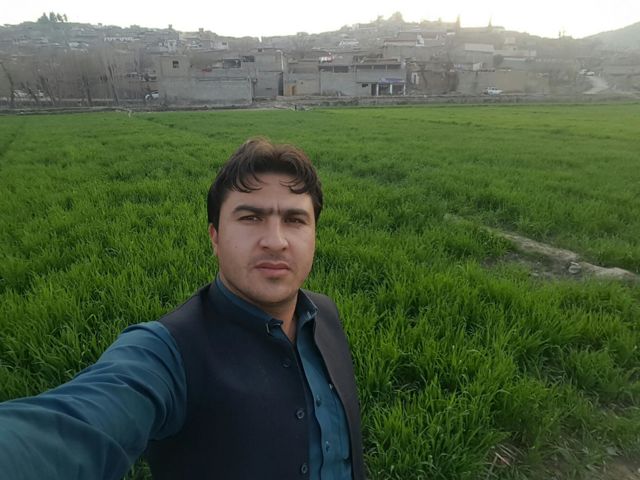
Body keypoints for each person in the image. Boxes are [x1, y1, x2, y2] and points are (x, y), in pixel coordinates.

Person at [0, 138, 365, 480]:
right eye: (250, 218)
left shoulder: (324, 314)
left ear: (315, 235)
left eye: (295, 220)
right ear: (215, 238)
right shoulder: (168, 352)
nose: (275, 241)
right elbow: (74, 425)